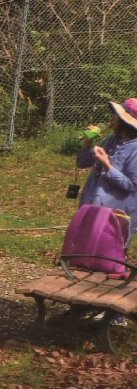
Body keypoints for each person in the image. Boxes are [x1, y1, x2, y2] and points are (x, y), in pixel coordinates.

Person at [69, 98, 137, 320]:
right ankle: (85, 304)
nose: (112, 119)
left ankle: (113, 314)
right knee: (86, 255)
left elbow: (131, 185)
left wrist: (108, 164)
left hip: (117, 214)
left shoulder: (135, 149)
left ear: (125, 122)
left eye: (116, 116)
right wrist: (87, 144)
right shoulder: (111, 140)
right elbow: (82, 163)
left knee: (112, 260)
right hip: (93, 208)